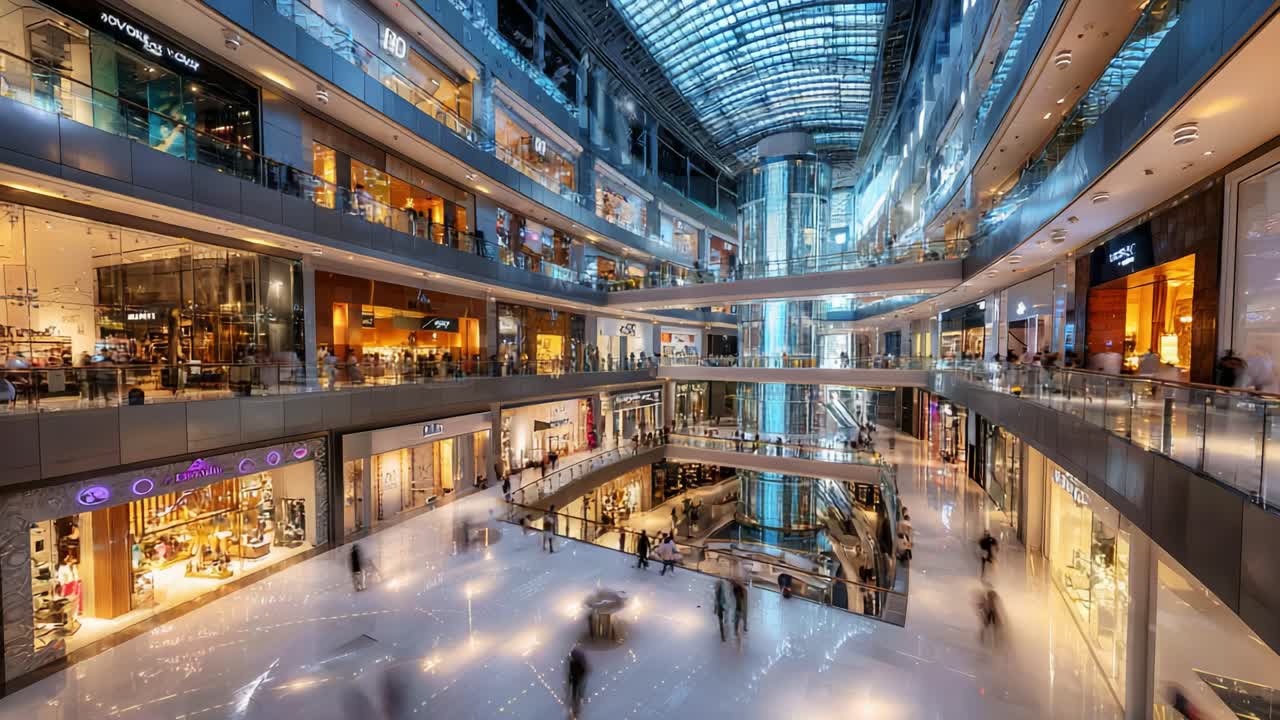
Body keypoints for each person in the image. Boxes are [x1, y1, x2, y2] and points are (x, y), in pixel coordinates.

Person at [566, 647, 589, 718]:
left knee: (578, 691)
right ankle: (575, 702)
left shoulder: (578, 663)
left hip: (577, 679)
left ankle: (577, 703)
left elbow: (582, 671)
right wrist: (570, 678)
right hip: (575, 679)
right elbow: (571, 671)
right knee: (575, 691)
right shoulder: (573, 662)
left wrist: (574, 676)